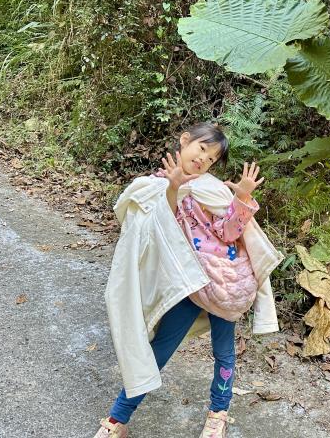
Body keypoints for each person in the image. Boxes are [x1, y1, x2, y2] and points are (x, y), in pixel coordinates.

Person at [95, 122, 280, 438]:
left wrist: (243, 197)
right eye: (201, 149)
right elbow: (157, 226)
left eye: (210, 159)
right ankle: (117, 420)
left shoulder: (211, 189)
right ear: (184, 141)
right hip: (187, 285)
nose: (203, 159)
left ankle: (218, 414)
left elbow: (229, 232)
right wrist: (173, 188)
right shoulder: (156, 184)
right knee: (158, 351)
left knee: (224, 353)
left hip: (225, 286)